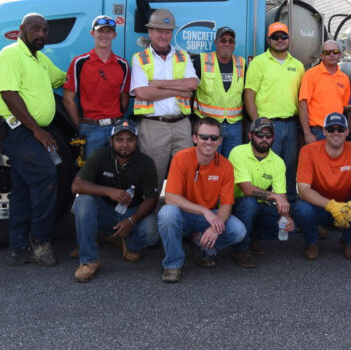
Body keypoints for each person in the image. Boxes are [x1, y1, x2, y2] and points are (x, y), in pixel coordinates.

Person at [0, 13, 67, 266]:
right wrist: (37, 130)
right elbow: (8, 94)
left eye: (45, 31)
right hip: (19, 131)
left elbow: (63, 78)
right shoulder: (11, 54)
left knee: (22, 188)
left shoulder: (39, 59)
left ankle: (17, 248)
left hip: (30, 132)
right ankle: (40, 241)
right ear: (21, 29)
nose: (41, 34)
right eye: (35, 29)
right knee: (47, 177)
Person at [157, 117, 246, 283]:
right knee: (167, 213)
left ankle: (202, 245)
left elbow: (227, 204)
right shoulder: (180, 158)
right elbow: (170, 197)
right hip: (184, 216)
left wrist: (215, 226)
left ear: (220, 141)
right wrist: (204, 210)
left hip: (208, 218)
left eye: (214, 138)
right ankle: (173, 264)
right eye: (204, 137)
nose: (208, 142)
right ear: (194, 138)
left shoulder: (226, 166)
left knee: (239, 230)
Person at [70, 120, 159, 282]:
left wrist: (132, 221)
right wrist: (108, 191)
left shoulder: (146, 163)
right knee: (82, 202)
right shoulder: (100, 155)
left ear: (137, 142)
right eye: (119, 140)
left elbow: (152, 199)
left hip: (131, 212)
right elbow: (76, 186)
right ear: (111, 142)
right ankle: (89, 261)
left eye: (130, 140)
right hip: (105, 211)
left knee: (152, 232)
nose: (125, 145)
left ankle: (127, 242)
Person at [293, 112, 351, 260]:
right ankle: (312, 243)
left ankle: (348, 241)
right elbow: (303, 189)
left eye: (340, 129)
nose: (336, 133)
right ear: (324, 131)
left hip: (346, 204)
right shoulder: (308, 151)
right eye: (331, 129)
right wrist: (330, 205)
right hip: (319, 205)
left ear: (347, 132)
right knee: (301, 209)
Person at [130, 9, 198, 191]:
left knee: (187, 177)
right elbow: (143, 93)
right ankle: (149, 217)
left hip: (181, 125)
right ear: (150, 32)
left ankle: (180, 216)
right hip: (154, 126)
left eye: (167, 31)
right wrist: (178, 90)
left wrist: (159, 84)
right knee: (153, 179)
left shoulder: (182, 56)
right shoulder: (139, 58)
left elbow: (191, 84)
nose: (163, 35)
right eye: (159, 30)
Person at [244, 22, 304, 197]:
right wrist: (257, 124)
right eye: (275, 37)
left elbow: (302, 99)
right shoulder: (259, 62)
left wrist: (302, 127)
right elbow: (249, 94)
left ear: (289, 39)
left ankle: (290, 211)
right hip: (267, 126)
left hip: (291, 125)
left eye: (283, 36)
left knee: (290, 168)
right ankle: (268, 209)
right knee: (266, 169)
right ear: (268, 40)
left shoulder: (298, 65)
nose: (280, 40)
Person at [228, 117, 293, 267]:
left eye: (268, 136)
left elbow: (282, 196)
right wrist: (274, 196)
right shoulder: (238, 152)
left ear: (273, 138)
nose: (264, 139)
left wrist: (288, 218)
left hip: (258, 205)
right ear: (250, 135)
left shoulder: (278, 162)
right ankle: (240, 249)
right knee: (250, 204)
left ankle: (253, 238)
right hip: (235, 205)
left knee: (283, 214)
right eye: (259, 135)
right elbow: (247, 189)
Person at [63, 15, 130, 159]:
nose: (104, 35)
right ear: (92, 33)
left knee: (118, 172)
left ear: (114, 35)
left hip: (116, 129)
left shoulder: (122, 65)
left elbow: (124, 98)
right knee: (91, 175)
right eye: (100, 31)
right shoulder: (79, 63)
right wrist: (80, 126)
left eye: (108, 31)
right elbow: (68, 100)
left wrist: (116, 120)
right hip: (90, 129)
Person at [193, 26, 245, 157]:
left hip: (234, 126)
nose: (227, 44)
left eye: (231, 41)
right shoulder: (202, 61)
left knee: (232, 165)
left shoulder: (242, 63)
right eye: (223, 40)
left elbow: (246, 94)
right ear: (216, 42)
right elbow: (191, 92)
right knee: (209, 164)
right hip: (207, 125)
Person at [298, 39, 351, 144]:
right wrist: (307, 133)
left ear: (340, 54)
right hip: (317, 131)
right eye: (327, 52)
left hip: (337, 132)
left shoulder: (344, 78)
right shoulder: (311, 74)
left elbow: (345, 107)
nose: (331, 55)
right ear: (322, 56)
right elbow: (302, 104)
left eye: (335, 52)